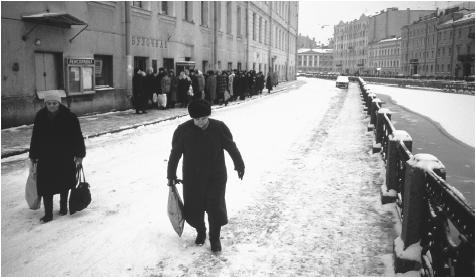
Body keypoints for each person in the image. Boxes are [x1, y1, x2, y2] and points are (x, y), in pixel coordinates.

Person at [167, 99, 245, 253]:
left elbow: (231, 146)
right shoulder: (183, 131)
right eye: (196, 119)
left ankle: (215, 238)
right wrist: (171, 175)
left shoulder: (219, 127)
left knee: (215, 208)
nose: (200, 122)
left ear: (208, 116)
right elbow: (175, 154)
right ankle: (201, 231)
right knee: (194, 208)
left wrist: (239, 164)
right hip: (192, 177)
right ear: (192, 118)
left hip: (215, 176)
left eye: (203, 118)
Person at [29, 91, 86, 223]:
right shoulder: (40, 116)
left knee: (64, 183)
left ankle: (63, 207)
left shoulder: (69, 117)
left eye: (54, 103)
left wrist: (80, 155)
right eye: (48, 103)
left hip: (64, 156)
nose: (51, 106)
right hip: (46, 157)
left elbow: (77, 136)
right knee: (46, 186)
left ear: (59, 103)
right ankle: (48, 214)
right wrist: (33, 155)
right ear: (45, 104)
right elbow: (35, 137)